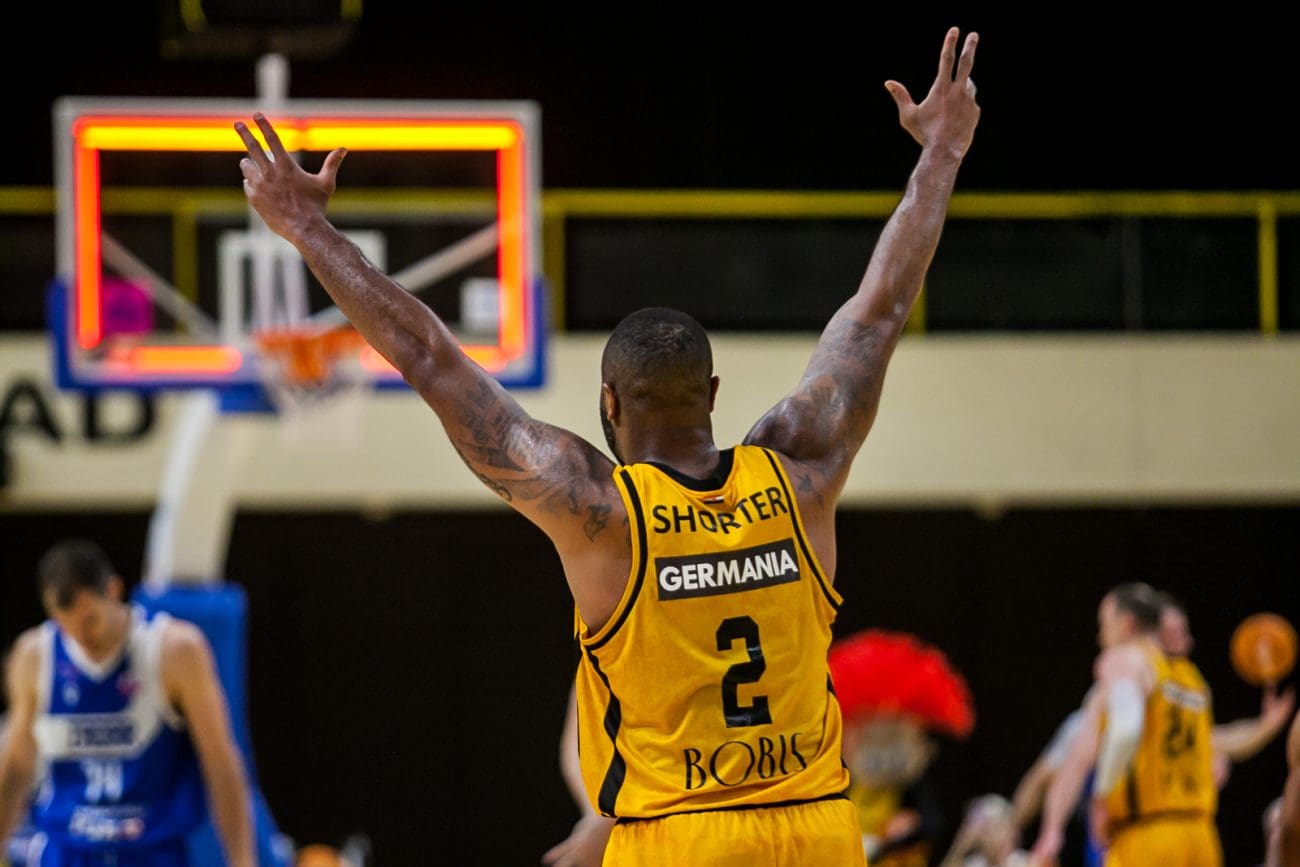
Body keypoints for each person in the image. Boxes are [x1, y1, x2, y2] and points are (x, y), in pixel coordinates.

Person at [233, 24, 981, 864]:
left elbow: (430, 359)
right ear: (712, 396)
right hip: (817, 828)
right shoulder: (800, 466)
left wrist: (308, 229)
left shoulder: (600, 508)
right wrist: (941, 154)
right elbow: (877, 314)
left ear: (608, 403)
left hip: (677, 838)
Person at [0, 539, 256, 867]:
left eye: (90, 620)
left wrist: (242, 861)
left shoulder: (174, 650)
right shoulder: (35, 655)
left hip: (149, 852)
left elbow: (220, 763)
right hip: (67, 851)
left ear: (114, 590)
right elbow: (17, 767)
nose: (81, 637)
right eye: (66, 625)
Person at [1029, 583, 1221, 867]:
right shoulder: (1193, 680)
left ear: (1127, 624)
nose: (1100, 636)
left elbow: (1123, 730)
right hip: (1202, 836)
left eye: (1104, 624)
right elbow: (1215, 759)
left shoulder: (1125, 659)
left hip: (1148, 838)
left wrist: (1100, 795)